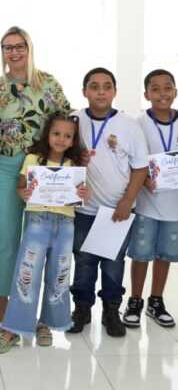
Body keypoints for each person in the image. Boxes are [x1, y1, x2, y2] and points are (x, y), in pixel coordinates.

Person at [0, 26, 71, 339]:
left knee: (41, 239)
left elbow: (65, 125)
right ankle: (5, 305)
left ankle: (40, 314)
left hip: (42, 168)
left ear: (29, 49)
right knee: (6, 237)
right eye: (7, 47)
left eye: (19, 46)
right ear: (2, 52)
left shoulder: (49, 84)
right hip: (5, 167)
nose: (13, 52)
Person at [0, 113, 90, 353]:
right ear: (48, 134)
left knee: (58, 274)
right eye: (56, 133)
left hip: (66, 223)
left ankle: (45, 323)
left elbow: (81, 192)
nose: (61, 139)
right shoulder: (33, 158)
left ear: (73, 140)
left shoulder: (75, 165)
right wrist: (22, 193)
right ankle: (13, 328)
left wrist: (83, 195)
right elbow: (20, 185)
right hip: (38, 221)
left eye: (67, 136)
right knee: (27, 273)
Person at [68, 67, 148, 337]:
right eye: (94, 86)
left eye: (106, 86)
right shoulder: (74, 120)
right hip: (84, 210)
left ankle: (112, 310)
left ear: (114, 91)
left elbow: (140, 168)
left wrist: (128, 200)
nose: (100, 91)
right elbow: (60, 154)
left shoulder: (129, 126)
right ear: (84, 92)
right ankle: (81, 308)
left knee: (113, 264)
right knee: (83, 261)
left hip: (118, 210)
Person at [123, 69, 178, 329]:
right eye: (155, 89)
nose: (162, 93)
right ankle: (135, 300)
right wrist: (145, 180)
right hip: (147, 201)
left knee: (164, 254)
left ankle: (156, 301)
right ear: (146, 94)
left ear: (175, 92)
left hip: (174, 204)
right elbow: (134, 160)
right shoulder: (138, 124)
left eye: (167, 88)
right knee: (141, 253)